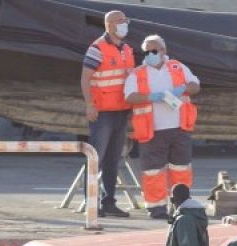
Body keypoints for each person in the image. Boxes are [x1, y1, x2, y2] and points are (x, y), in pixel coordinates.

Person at [124, 35, 200, 220]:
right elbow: (129, 96)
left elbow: (195, 85)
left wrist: (181, 89)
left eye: (154, 50)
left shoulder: (177, 67)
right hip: (152, 131)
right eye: (147, 51)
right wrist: (151, 97)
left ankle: (182, 204)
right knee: (153, 171)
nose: (151, 54)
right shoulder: (138, 73)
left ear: (164, 50)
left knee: (181, 168)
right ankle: (157, 208)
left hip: (179, 128)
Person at [82, 10, 135, 218]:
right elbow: (85, 78)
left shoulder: (127, 49)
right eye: (122, 21)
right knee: (96, 158)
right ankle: (91, 203)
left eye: (126, 20)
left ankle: (109, 202)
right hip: (103, 112)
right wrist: (89, 105)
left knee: (113, 160)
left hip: (121, 112)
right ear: (110, 24)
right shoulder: (97, 49)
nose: (125, 24)